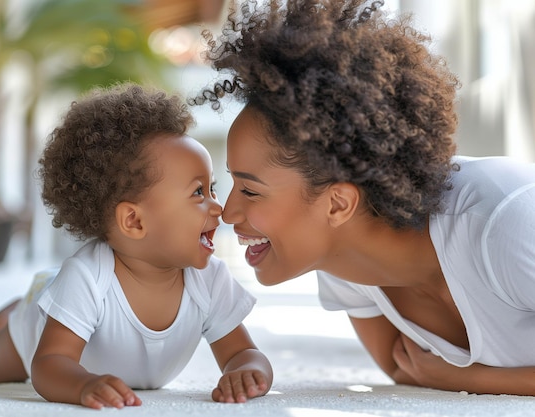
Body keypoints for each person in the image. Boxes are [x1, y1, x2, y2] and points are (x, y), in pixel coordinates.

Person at [191, 0, 535, 396]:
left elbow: (425, 372)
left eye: (250, 190)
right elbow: (401, 365)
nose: (229, 212)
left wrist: (462, 378)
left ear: (338, 204)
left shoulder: (508, 227)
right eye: (232, 184)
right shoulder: (344, 260)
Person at [0, 83, 273, 409]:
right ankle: (21, 307)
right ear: (134, 221)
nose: (218, 207)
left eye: (211, 188)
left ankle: (43, 292)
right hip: (37, 329)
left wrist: (247, 371)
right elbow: (48, 365)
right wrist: (82, 382)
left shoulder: (210, 280)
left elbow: (244, 353)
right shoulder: (88, 278)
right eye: (198, 193)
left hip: (75, 305)